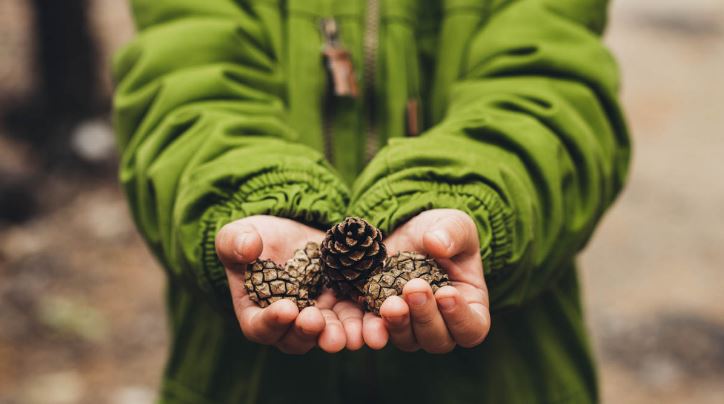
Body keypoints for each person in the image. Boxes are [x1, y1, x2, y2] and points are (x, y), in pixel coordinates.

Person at [112, 0, 630, 402]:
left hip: (505, 381)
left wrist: (470, 202)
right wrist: (254, 196)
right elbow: (181, 87)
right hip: (243, 385)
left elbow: (555, 92)